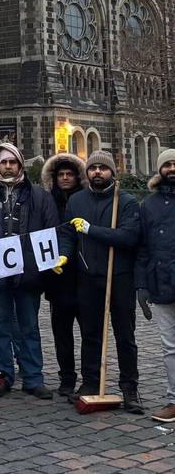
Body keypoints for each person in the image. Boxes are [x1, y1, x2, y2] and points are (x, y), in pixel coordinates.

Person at [0, 143, 58, 399]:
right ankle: (2, 374)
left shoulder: (39, 196)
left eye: (13, 162)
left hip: (28, 275)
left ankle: (32, 377)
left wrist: (37, 267)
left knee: (28, 327)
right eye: (4, 162)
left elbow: (49, 231)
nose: (8, 167)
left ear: (20, 165)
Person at [57, 150, 142, 412]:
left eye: (102, 169)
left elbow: (128, 238)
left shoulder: (125, 201)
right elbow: (69, 233)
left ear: (111, 173)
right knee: (90, 334)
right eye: (93, 168)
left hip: (119, 278)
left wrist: (91, 229)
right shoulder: (77, 201)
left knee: (124, 335)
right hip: (88, 276)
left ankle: (130, 388)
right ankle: (90, 383)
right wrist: (63, 255)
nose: (97, 173)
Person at [40, 152, 86, 396]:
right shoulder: (47, 202)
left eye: (70, 174)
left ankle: (89, 377)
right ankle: (66, 376)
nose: (65, 178)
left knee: (88, 332)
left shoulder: (87, 200)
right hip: (57, 277)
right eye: (61, 175)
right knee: (62, 332)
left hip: (85, 275)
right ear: (54, 178)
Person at [136, 148, 175, 423]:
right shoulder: (148, 205)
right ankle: (174, 399)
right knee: (170, 346)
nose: (172, 169)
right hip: (160, 283)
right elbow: (142, 249)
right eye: (167, 165)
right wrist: (141, 285)